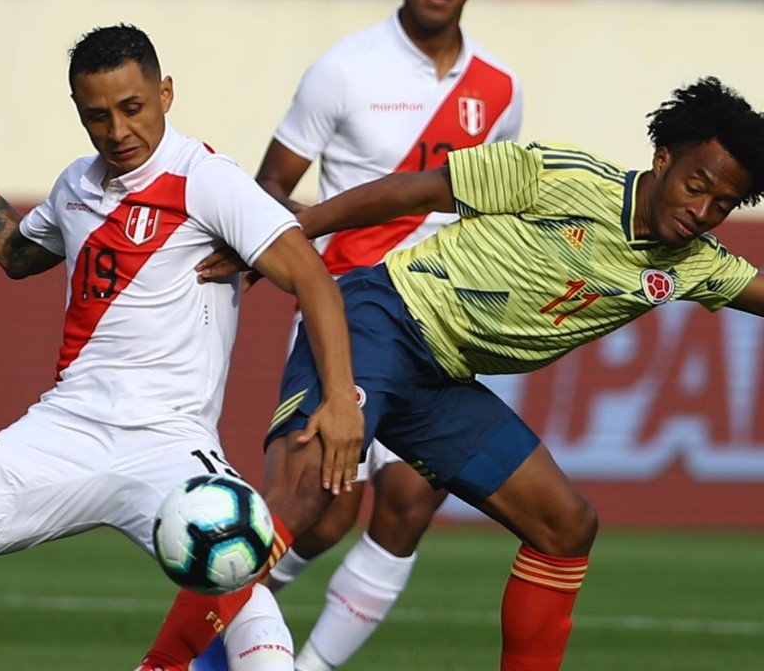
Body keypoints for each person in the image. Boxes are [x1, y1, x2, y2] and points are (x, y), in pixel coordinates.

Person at [144, 75, 764, 671]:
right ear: (662, 160)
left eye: (723, 203)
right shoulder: (563, 175)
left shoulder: (698, 264)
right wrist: (294, 228)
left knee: (566, 525)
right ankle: (164, 664)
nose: (702, 209)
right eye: (696, 184)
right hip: (382, 321)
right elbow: (417, 191)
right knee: (309, 495)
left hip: (440, 378)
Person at [186, 0, 523, 671]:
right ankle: (197, 653)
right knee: (317, 513)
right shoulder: (343, 70)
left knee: (408, 502)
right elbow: (270, 187)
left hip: (440, 323)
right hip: (345, 313)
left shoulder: (501, 92)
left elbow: (489, 202)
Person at [0, 24, 363, 671]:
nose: (118, 130)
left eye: (132, 108)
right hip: (67, 428)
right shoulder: (75, 186)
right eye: (97, 116)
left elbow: (313, 279)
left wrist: (341, 400)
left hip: (170, 444)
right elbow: (14, 253)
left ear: (165, 93)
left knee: (241, 576)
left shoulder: (207, 180)